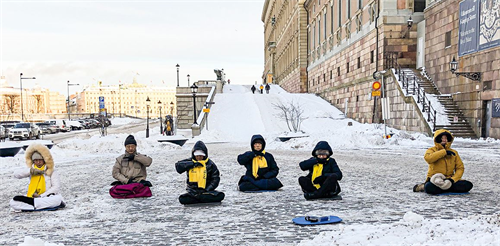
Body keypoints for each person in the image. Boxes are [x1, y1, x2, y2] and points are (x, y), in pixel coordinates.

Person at [413, 129, 473, 194]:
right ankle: (422, 186)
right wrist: (443, 152)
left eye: (446, 138)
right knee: (429, 188)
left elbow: (460, 168)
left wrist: (453, 179)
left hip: (449, 179)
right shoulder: (431, 150)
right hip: (435, 179)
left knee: (468, 185)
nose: (444, 140)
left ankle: (445, 187)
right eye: (442, 138)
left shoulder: (454, 153)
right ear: (437, 139)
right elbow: (428, 158)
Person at [10, 143, 65, 211]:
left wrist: (41, 196)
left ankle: (32, 204)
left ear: (44, 160)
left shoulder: (51, 171)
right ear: (33, 161)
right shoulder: (31, 170)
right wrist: (30, 171)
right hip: (32, 196)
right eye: (36, 160)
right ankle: (36, 205)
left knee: (57, 200)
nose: (38, 162)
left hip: (47, 197)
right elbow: (16, 174)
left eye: (40, 160)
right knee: (13, 202)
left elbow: (56, 187)